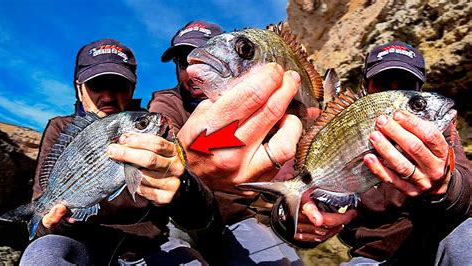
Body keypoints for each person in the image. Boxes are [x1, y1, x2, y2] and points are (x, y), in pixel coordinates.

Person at [20, 38, 216, 265]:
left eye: (119, 86)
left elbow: (200, 217)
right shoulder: (60, 129)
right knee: (42, 255)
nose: (108, 97)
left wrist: (182, 184)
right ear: (78, 88)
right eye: (96, 85)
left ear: (132, 88)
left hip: (150, 246)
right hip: (78, 242)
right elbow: (41, 221)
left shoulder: (153, 131)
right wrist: (52, 223)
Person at [277, 40, 471, 265]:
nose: (392, 93)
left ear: (419, 89)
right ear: (365, 86)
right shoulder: (340, 128)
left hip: (439, 244)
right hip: (371, 257)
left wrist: (446, 185)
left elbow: (468, 188)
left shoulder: (440, 132)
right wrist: (294, 217)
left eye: (406, 84)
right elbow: (316, 206)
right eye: (382, 83)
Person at [149, 20, 304, 264]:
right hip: (175, 220)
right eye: (183, 60)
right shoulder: (165, 104)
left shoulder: (270, 105)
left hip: (236, 217)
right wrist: (189, 157)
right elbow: (164, 144)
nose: (191, 69)